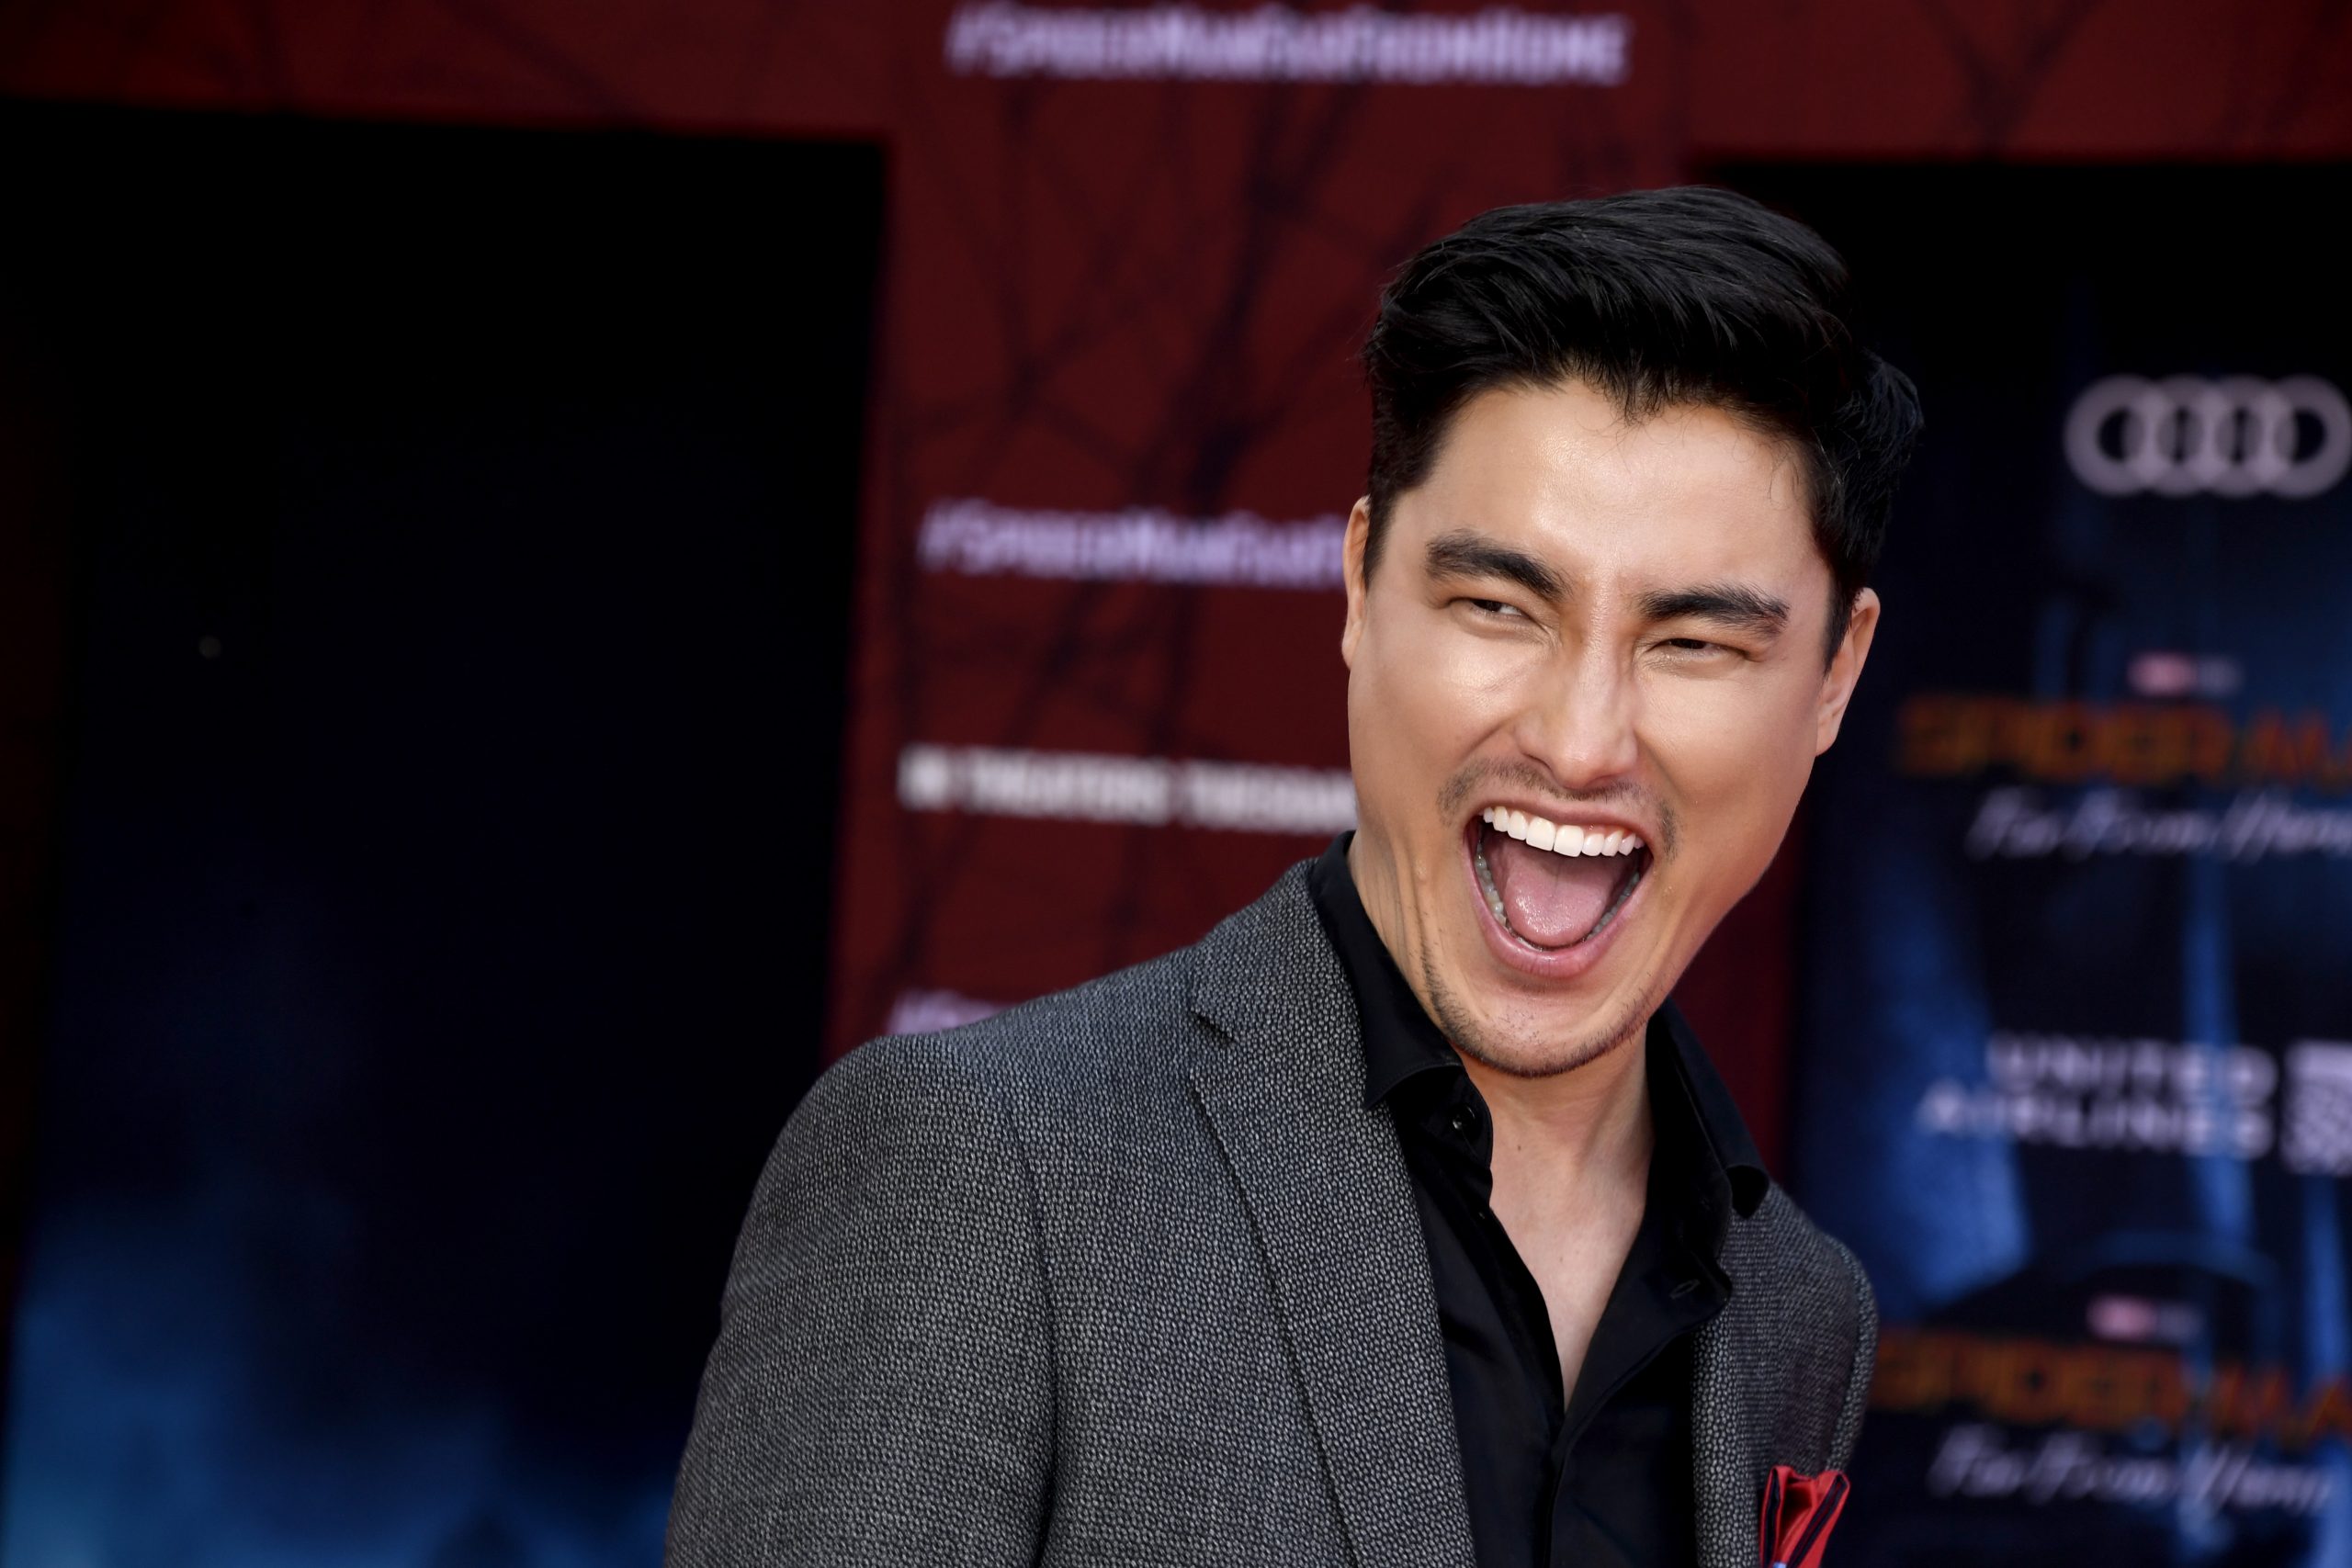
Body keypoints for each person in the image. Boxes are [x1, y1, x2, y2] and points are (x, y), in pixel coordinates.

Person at [666, 186, 1921, 1568]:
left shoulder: (1802, 1312)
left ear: (1835, 676)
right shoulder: (980, 1172)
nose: (1579, 742)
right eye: (1500, 608)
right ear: (1360, 586)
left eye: (1693, 644)